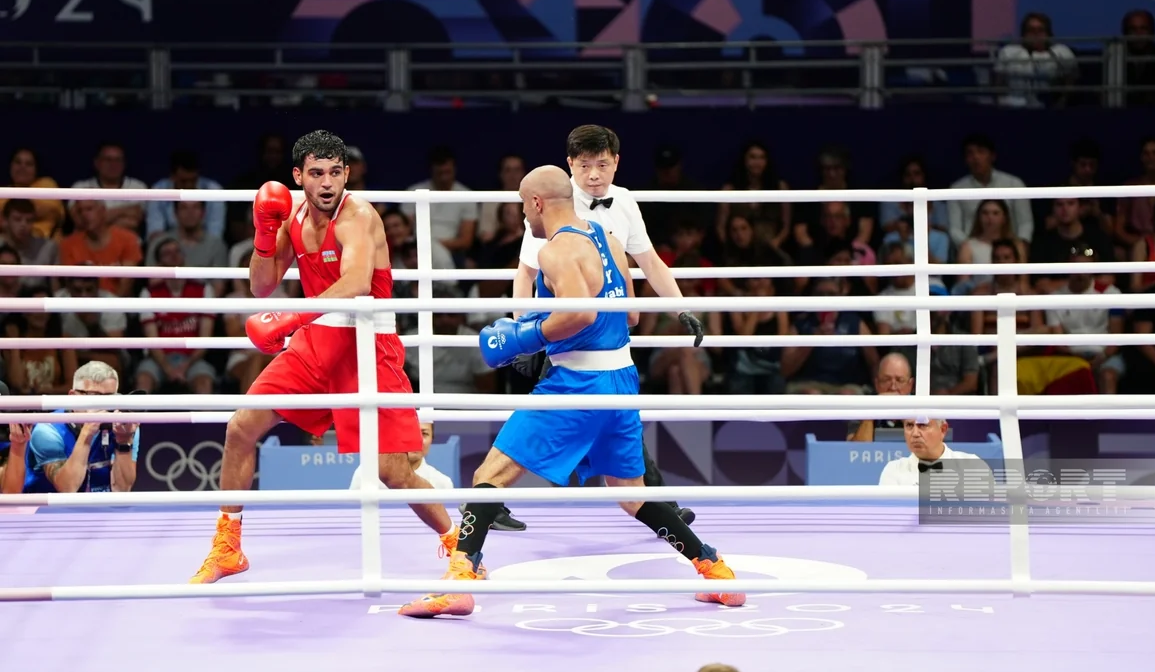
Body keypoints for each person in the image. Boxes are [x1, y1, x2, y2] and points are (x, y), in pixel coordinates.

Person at [398, 166, 742, 619]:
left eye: (524, 206)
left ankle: (460, 580)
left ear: (537, 203)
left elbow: (579, 315)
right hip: (621, 380)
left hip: (577, 383)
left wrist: (524, 337)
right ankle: (716, 571)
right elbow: (632, 316)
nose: (525, 216)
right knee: (632, 492)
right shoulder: (608, 239)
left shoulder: (556, 250)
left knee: (491, 472)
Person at [190, 130, 460, 585]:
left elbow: (355, 282)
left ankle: (460, 550)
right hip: (316, 341)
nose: (328, 182)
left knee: (392, 471)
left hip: (366, 345)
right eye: (317, 173)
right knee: (240, 427)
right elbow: (261, 286)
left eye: (336, 172)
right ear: (298, 176)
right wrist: (264, 236)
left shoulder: (359, 216)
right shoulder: (292, 216)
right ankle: (228, 547)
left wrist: (291, 317)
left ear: (347, 174)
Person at [500, 124, 703, 531]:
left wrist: (682, 309)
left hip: (609, 331)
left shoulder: (624, 201)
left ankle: (662, 506)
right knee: (539, 417)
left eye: (603, 165)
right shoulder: (553, 202)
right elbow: (526, 272)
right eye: (585, 166)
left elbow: (650, 262)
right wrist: (524, 331)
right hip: (563, 329)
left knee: (619, 419)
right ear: (570, 164)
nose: (594, 175)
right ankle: (489, 499)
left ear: (617, 163)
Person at [23, 362, 140, 494]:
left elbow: (122, 489)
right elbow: (67, 488)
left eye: (109, 397)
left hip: (100, 505)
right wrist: (87, 432)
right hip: (50, 505)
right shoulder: (47, 430)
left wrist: (123, 441)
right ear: (73, 397)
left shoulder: (124, 427)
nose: (103, 405)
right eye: (95, 396)